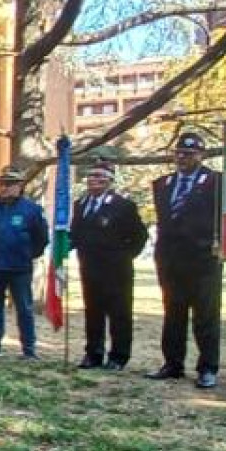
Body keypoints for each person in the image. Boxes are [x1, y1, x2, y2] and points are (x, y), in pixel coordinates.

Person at [147, 131, 223, 389]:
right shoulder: (163, 184)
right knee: (173, 314)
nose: (182, 158)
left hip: (203, 260)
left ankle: (207, 368)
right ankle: (172, 363)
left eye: (189, 154)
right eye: (179, 153)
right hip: (171, 260)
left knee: (205, 316)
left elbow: (224, 219)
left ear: (201, 155)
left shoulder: (215, 182)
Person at [69, 159, 148, 371]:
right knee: (93, 312)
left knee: (119, 314)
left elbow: (140, 236)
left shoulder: (123, 206)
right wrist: (64, 245)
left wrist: (124, 257)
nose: (94, 180)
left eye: (100, 177)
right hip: (89, 268)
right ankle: (93, 353)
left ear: (110, 181)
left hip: (116, 271)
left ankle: (118, 356)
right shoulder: (80, 204)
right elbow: (76, 234)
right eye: (91, 176)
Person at [0, 167, 49, 360]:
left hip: (20, 267)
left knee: (24, 308)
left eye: (10, 184)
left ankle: (28, 348)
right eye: (2, 184)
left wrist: (29, 253)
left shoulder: (32, 210)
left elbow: (41, 238)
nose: (4, 188)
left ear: (20, 186)